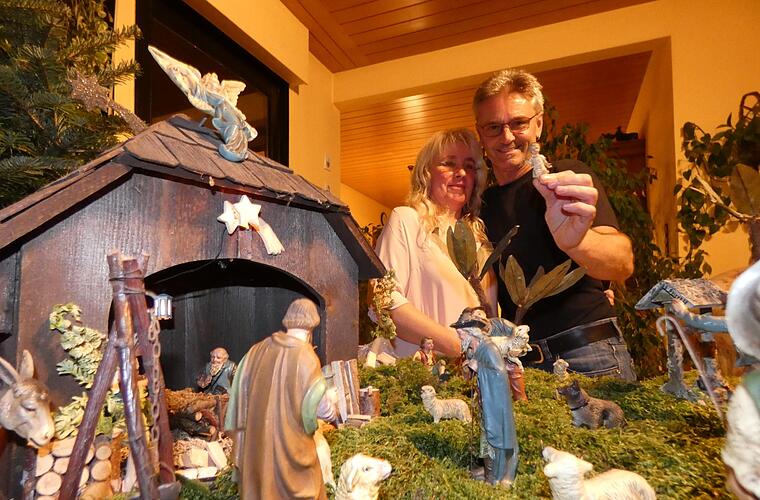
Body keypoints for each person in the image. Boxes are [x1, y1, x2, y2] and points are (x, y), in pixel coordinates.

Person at [473, 69, 636, 381]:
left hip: (589, 353)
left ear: (538, 124)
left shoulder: (567, 180)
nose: (507, 137)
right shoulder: (482, 207)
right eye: (494, 127)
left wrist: (578, 243)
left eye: (518, 123)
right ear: (480, 132)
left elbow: (622, 263)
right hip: (523, 364)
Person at [374, 128, 497, 358]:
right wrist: (454, 345)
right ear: (426, 173)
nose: (461, 173)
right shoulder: (407, 221)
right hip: (421, 371)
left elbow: (489, 320)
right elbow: (385, 301)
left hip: (475, 372)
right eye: (449, 163)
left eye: (469, 166)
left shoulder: (480, 240)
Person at [225, 298, 337, 500]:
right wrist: (331, 403)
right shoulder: (306, 356)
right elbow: (315, 410)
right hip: (292, 449)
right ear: (311, 327)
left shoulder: (257, 350)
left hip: (258, 445)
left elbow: (239, 389)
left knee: (262, 487)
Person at [452, 308, 518, 486]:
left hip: (495, 403)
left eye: (461, 334)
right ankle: (489, 470)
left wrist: (479, 367)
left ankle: (498, 474)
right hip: (485, 401)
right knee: (486, 437)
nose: (460, 337)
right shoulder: (476, 349)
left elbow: (499, 372)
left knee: (496, 435)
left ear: (471, 332)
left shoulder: (488, 348)